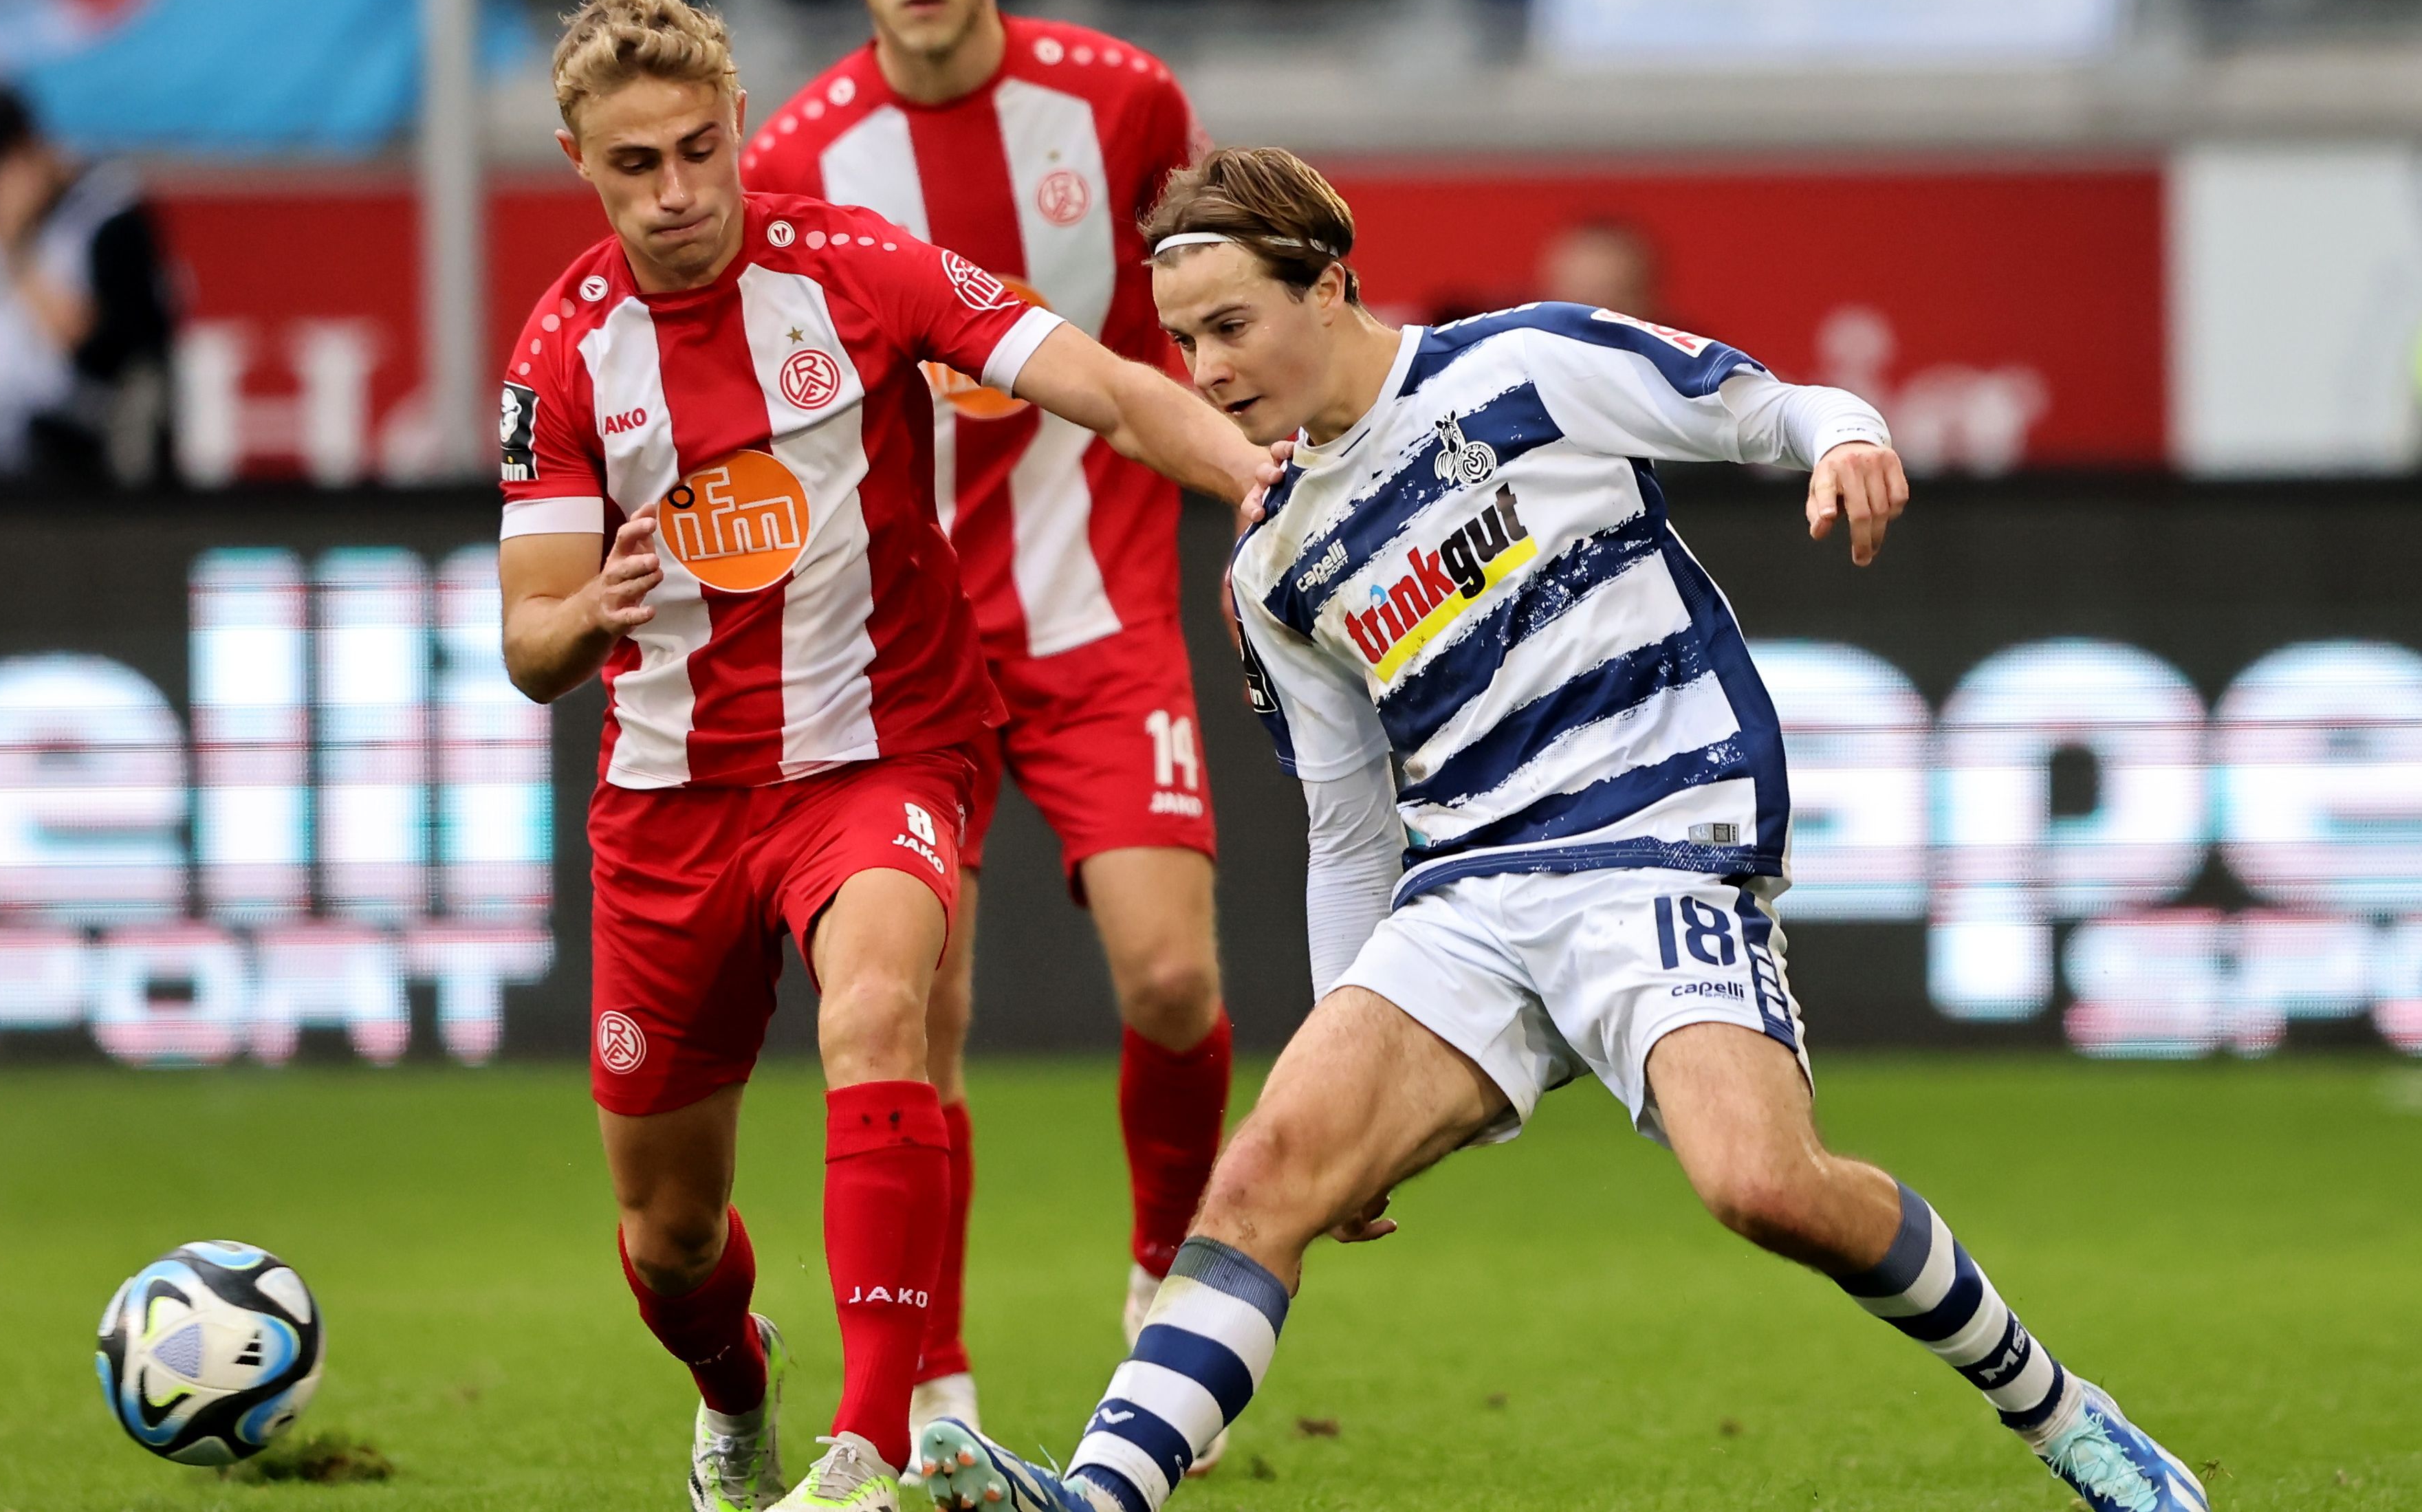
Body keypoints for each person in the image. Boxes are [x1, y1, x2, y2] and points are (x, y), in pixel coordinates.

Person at [910, 149, 2208, 1512]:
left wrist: (1844, 435)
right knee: (1263, 1174)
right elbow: (1349, 827)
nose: (1207, 369)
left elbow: (1762, 406)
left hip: (1654, 832)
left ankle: (2065, 1413)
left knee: (1762, 1182)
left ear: (1329, 282)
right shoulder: (1274, 563)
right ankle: (1097, 1494)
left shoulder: (1525, 367)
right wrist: (1336, 1035)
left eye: (1231, 324)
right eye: (1181, 342)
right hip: (1466, 889)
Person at [494, 0, 1273, 1512]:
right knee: (671, 1236)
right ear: (579, 157)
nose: (678, 193)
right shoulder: (564, 356)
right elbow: (528, 644)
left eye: (700, 151)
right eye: (636, 163)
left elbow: (1106, 384)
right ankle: (737, 1380)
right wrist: (593, 602)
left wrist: (1260, 472)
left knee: (883, 1019)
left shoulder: (856, 266)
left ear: (734, 132)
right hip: (668, 807)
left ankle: (869, 1442)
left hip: (880, 755)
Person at [740, 0, 1235, 1460]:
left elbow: (1198, 309)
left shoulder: (1122, 100)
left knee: (1170, 978)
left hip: (1098, 613)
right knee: (915, 1008)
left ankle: (1164, 1280)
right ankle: (933, 1384)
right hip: (907, 641)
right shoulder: (795, 161)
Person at [0, 81, 177, 490]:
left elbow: (91, 343)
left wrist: (14, 246)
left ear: (24, 150)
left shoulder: (106, 212)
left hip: (80, 450)